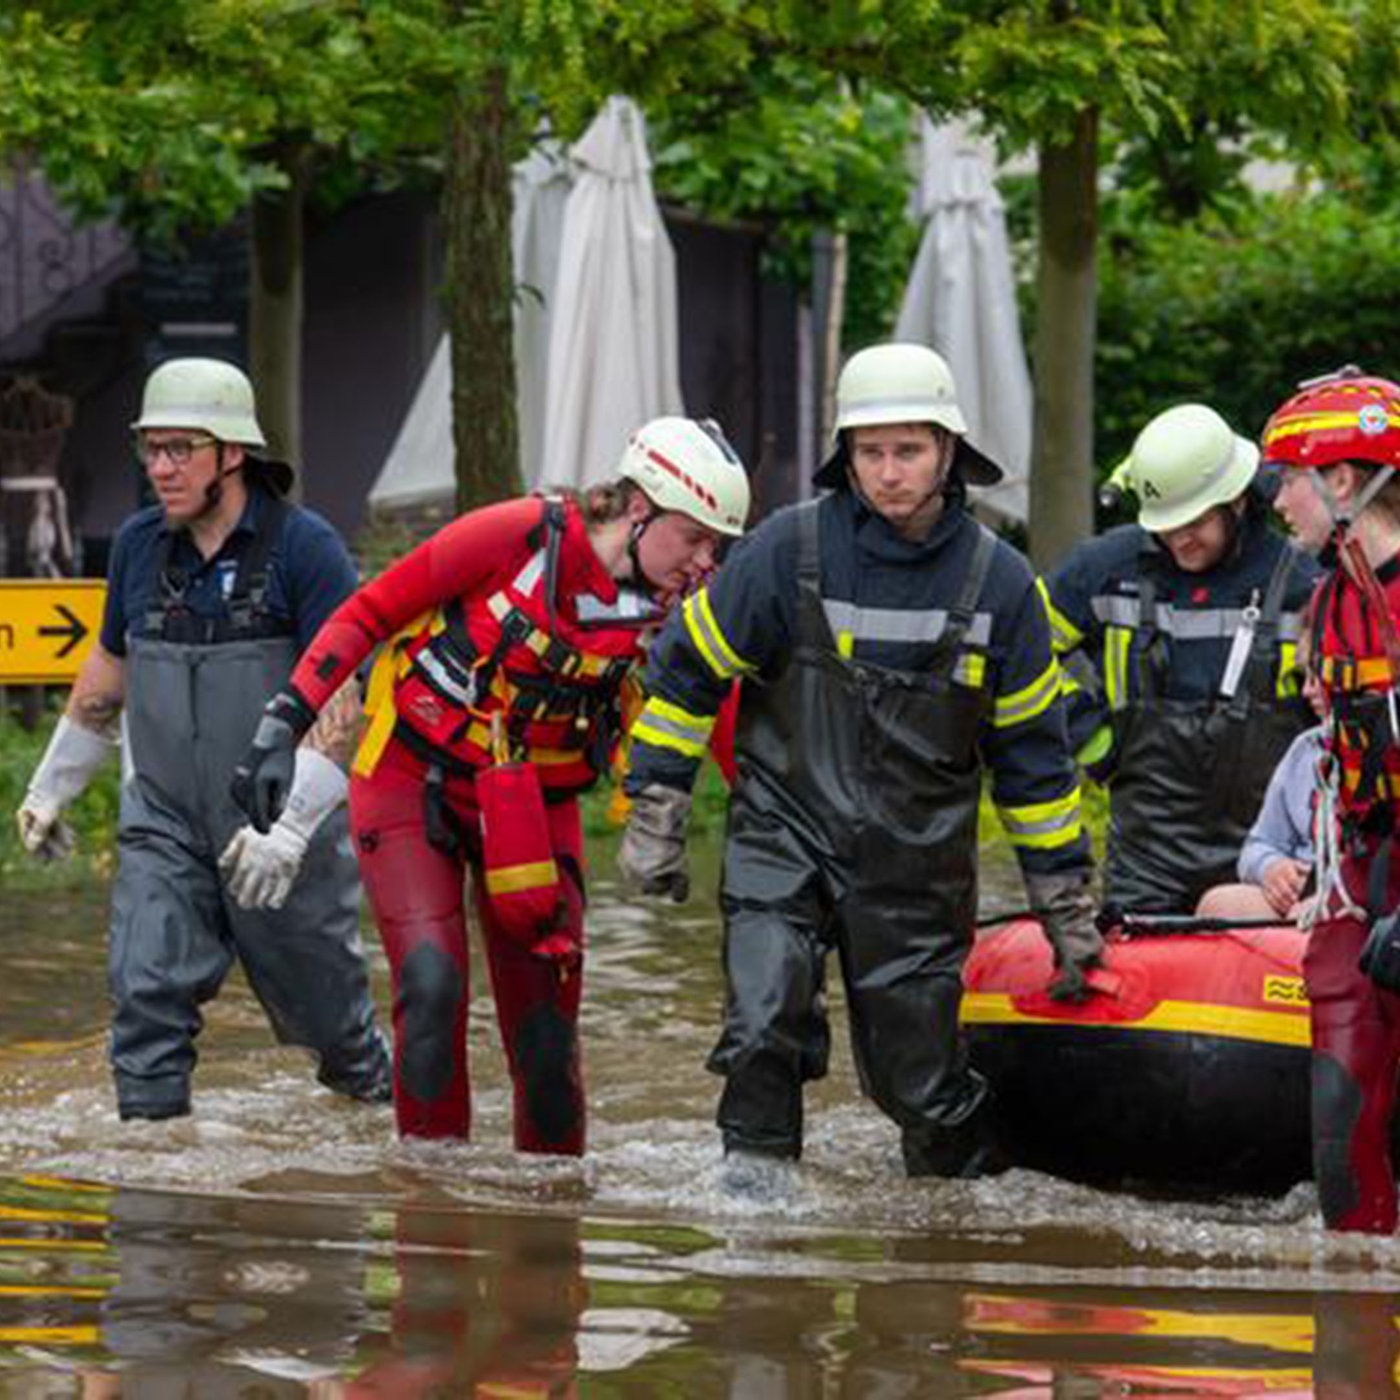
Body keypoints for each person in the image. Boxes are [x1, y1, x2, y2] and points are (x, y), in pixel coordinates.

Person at [618, 342, 1103, 1181]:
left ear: (949, 451)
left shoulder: (1004, 586)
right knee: (763, 1024)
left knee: (924, 1088)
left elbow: (1033, 763)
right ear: (845, 454)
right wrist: (656, 805)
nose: (888, 474)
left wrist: (1064, 900)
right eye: (870, 453)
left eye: (908, 451)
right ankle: (755, 1219)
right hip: (783, 839)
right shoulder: (783, 551)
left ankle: (952, 1229)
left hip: (916, 868)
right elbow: (687, 673)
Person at [229, 417, 750, 1153]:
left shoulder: (685, 613)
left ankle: (549, 1224)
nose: (706, 562)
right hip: (414, 782)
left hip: (536, 808)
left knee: (546, 1029)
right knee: (433, 990)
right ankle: (432, 1203)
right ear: (639, 509)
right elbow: (371, 611)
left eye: (718, 547)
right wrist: (282, 723)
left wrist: (772, 846)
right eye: (695, 538)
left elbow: (730, 737)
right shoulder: (519, 536)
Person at [14, 357, 390, 1121]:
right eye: (151, 448)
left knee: (333, 1028)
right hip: (165, 823)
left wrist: (287, 832)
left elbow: (342, 703)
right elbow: (106, 671)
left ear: (233, 453)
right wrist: (51, 788)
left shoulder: (304, 548)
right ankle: (153, 1192)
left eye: (180, 448)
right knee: (143, 992)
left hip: (280, 827)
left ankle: (384, 1134)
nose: (160, 467)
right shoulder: (137, 546)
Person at [1045, 402, 1318, 914]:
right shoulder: (1105, 569)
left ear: (1236, 499)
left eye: (1194, 522)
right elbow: (1020, 651)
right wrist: (1093, 739)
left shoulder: (1303, 582)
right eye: (1166, 526)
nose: (1179, 540)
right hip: (1146, 861)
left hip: (1267, 859)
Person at [1265, 365, 1400, 1234]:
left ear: (1341, 482)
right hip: (1363, 873)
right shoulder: (1326, 601)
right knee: (1340, 1114)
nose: (1277, 501)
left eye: (1289, 480)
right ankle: (1354, 1310)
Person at [1195, 621, 1325, 922]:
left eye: (1319, 675)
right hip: (1298, 905)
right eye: (1305, 675)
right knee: (1218, 905)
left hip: (1362, 908)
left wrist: (1328, 901)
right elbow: (1258, 845)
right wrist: (1271, 869)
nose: (1306, 690)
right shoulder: (1306, 750)